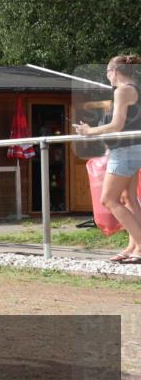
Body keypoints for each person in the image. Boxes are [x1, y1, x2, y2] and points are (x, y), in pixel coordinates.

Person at [73, 54, 141, 263]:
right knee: (129, 199)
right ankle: (132, 247)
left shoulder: (122, 91)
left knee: (108, 200)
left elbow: (116, 125)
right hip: (132, 148)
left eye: (107, 72)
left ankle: (140, 245)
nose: (107, 77)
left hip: (125, 151)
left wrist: (89, 131)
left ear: (114, 71)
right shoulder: (132, 89)